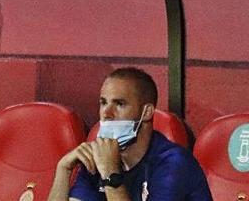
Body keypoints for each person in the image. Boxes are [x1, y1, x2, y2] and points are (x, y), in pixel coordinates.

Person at [48, 67, 212, 201]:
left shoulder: (174, 163)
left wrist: (111, 174)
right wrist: (63, 170)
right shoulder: (97, 159)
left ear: (146, 112)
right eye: (103, 103)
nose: (107, 113)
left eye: (119, 104)